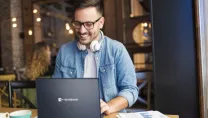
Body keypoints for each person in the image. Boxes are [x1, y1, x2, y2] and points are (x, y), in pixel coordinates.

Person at [52, 0, 138, 115]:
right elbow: (56, 90)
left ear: (101, 22)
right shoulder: (64, 52)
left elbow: (131, 90)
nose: (82, 30)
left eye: (88, 24)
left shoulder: (117, 49)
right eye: (77, 23)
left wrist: (109, 106)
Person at [23, 41, 52, 107]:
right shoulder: (51, 72)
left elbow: (25, 99)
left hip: (30, 108)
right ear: (45, 54)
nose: (50, 53)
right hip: (47, 108)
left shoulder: (28, 73)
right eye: (49, 51)